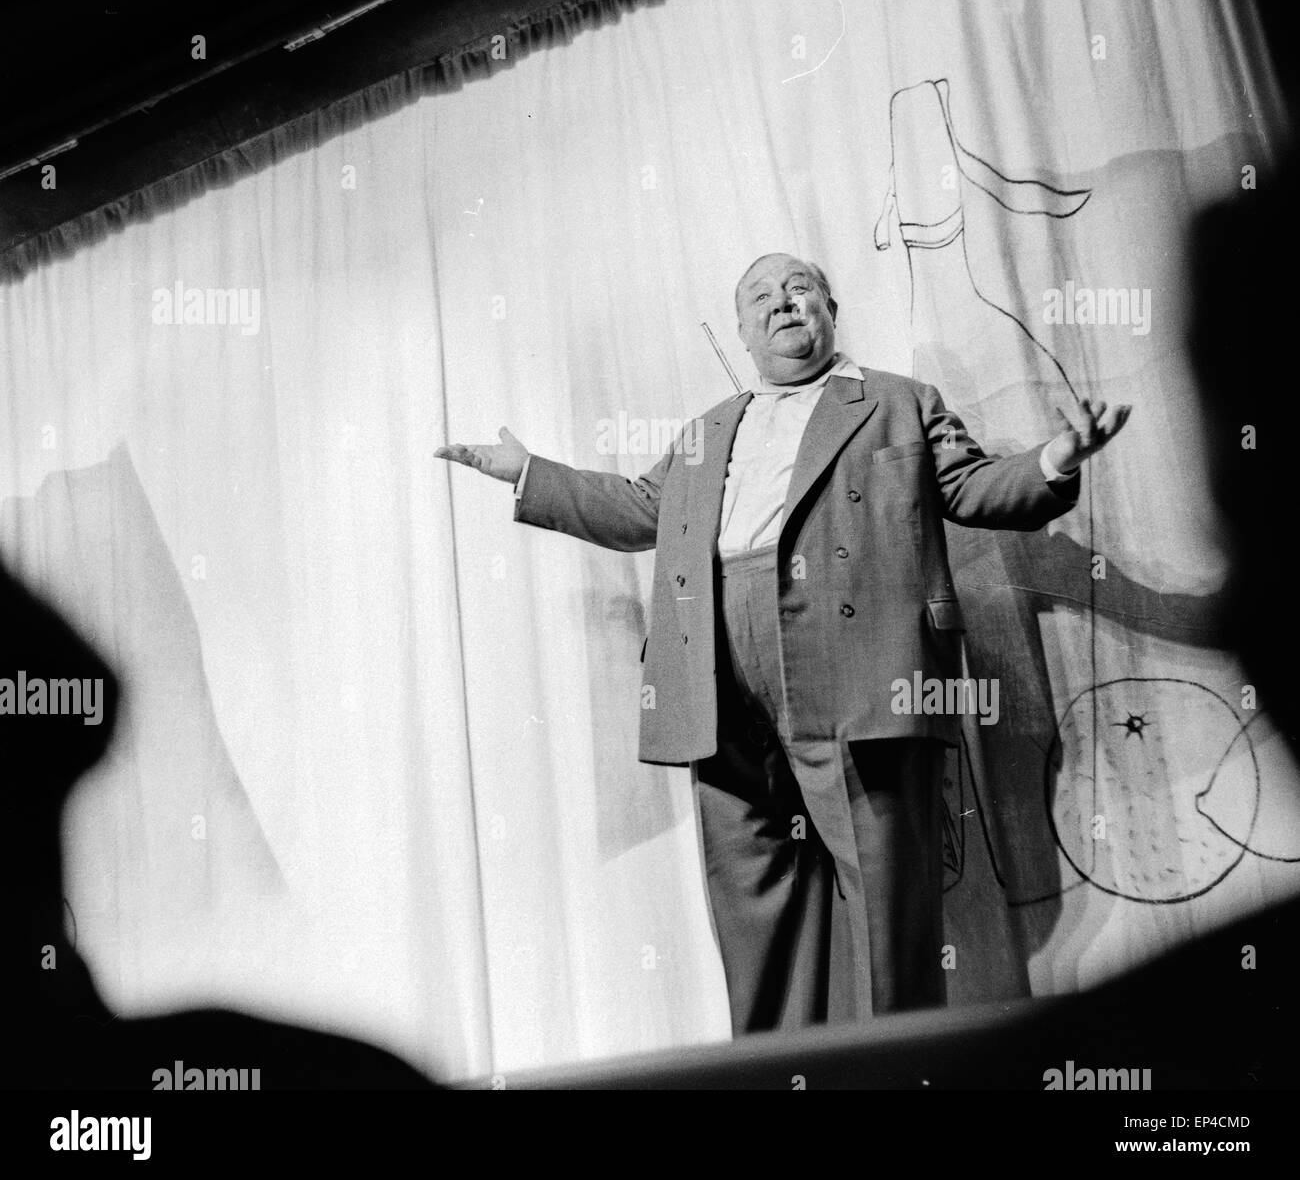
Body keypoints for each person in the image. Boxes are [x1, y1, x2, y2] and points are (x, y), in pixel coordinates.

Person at [438, 253, 1130, 1033]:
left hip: (862, 674)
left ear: (831, 307)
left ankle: (893, 1076)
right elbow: (639, 510)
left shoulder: (899, 401)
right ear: (740, 331)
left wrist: (1054, 460)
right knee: (753, 907)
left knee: (883, 907)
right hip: (715, 684)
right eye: (761, 297)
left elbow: (971, 488)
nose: (784, 303)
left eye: (800, 288)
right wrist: (528, 471)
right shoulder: (709, 429)